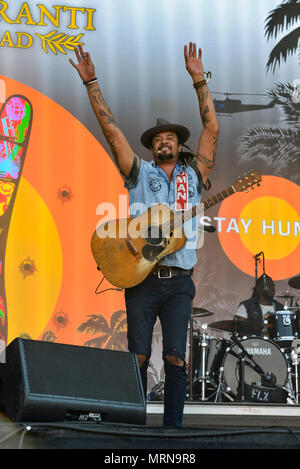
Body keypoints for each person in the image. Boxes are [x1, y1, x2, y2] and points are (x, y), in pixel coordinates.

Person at [69, 42, 219, 427]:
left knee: (175, 358)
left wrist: (199, 80)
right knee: (137, 355)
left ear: (179, 144)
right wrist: (92, 83)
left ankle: (171, 434)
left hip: (180, 283)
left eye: (169, 138)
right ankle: (133, 428)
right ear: (152, 149)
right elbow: (111, 131)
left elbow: (212, 129)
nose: (163, 142)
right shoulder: (141, 173)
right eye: (157, 140)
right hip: (142, 279)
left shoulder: (193, 176)